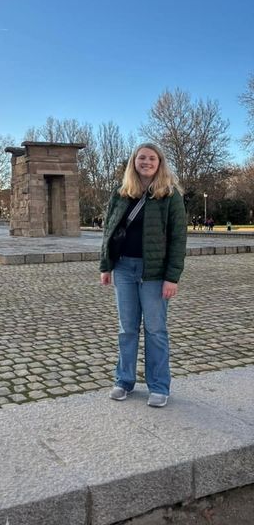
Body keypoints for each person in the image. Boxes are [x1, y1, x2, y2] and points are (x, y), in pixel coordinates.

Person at [100, 143, 187, 408]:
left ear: (159, 163)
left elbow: (178, 238)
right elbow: (109, 230)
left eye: (152, 158)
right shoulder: (121, 193)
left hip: (155, 273)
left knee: (155, 330)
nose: (146, 162)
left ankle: (159, 386)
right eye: (142, 158)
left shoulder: (170, 196)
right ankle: (123, 380)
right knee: (127, 329)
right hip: (124, 268)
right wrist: (106, 266)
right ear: (133, 162)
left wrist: (172, 277)